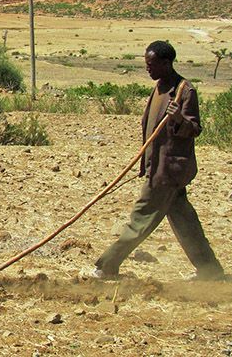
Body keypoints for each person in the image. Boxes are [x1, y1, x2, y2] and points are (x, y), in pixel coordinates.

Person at [84, 40, 224, 281]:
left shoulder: (184, 91)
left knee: (140, 220)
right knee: (186, 224)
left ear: (166, 64)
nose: (147, 68)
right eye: (146, 64)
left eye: (152, 65)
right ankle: (210, 271)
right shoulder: (160, 87)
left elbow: (194, 129)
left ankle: (106, 266)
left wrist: (179, 117)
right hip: (156, 169)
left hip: (166, 173)